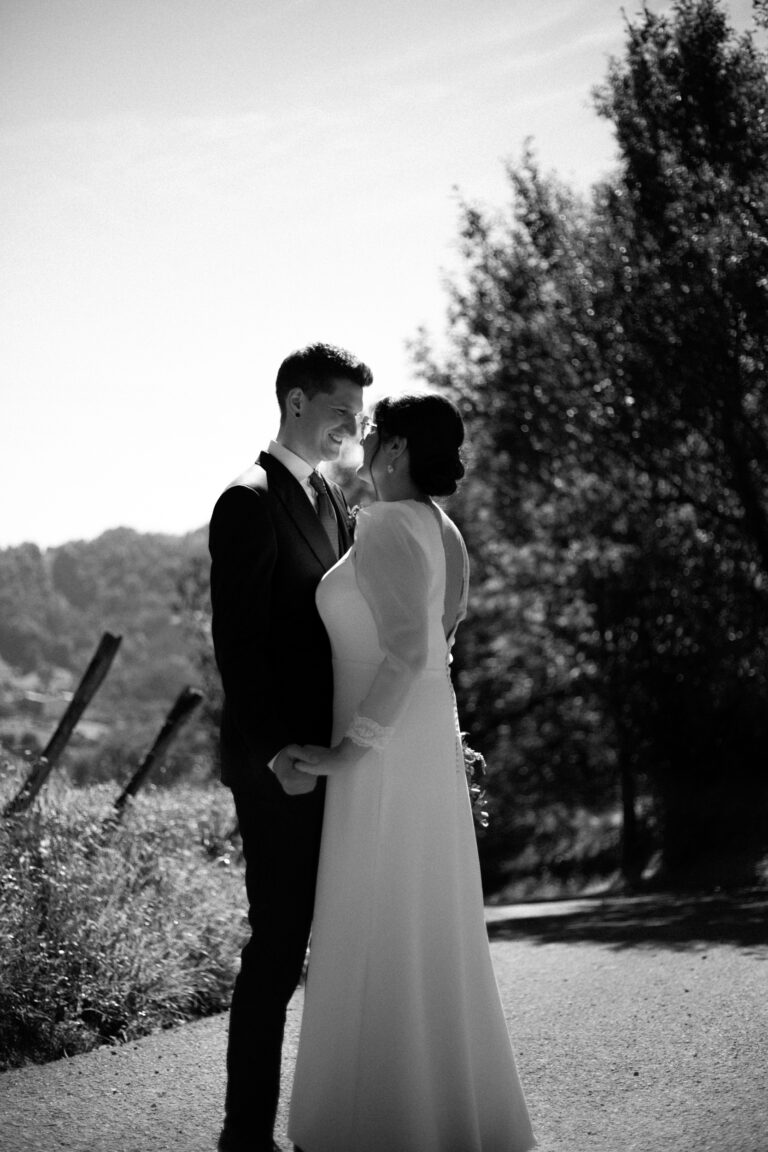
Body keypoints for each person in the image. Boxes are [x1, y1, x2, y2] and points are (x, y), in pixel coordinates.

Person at [288, 393, 536, 1152]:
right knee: (425, 918)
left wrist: (347, 751)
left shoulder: (387, 521)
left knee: (378, 917)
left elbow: (405, 651)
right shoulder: (444, 529)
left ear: (393, 451)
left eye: (371, 434)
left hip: (386, 751)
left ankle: (383, 1120)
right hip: (426, 734)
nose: (361, 442)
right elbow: (443, 644)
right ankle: (447, 1110)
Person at [208, 342, 373, 1152]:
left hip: (336, 755)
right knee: (276, 944)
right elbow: (237, 646)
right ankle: (244, 1135)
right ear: (298, 402)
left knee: (336, 936)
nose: (355, 423)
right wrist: (277, 753)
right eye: (343, 408)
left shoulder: (335, 503)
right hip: (282, 767)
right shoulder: (246, 499)